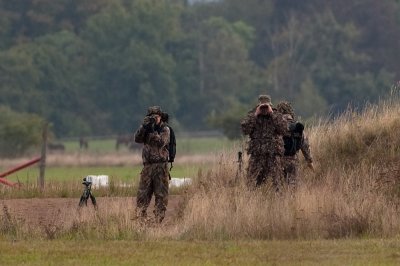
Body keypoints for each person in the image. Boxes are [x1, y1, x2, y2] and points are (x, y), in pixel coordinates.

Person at [241, 95, 287, 190]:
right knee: (251, 182)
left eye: (266, 107)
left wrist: (272, 113)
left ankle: (279, 201)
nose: (264, 109)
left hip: (273, 155)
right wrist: (255, 114)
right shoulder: (253, 115)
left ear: (270, 105)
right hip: (257, 155)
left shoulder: (276, 115)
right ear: (258, 106)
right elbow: (245, 130)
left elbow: (284, 129)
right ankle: (251, 202)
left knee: (276, 183)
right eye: (262, 107)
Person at [134, 106, 170, 223]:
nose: (154, 119)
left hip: (160, 166)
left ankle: (158, 221)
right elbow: (137, 139)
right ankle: (141, 220)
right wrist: (144, 127)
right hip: (147, 167)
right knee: (142, 194)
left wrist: (153, 131)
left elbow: (162, 142)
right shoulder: (146, 128)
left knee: (161, 195)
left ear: (160, 117)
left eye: (156, 116)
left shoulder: (165, 129)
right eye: (151, 117)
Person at [276, 101, 314, 187]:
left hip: (278, 160)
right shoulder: (297, 126)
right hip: (293, 160)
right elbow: (305, 145)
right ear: (290, 111)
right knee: (293, 186)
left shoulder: (276, 126)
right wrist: (309, 161)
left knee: (279, 187)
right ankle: (293, 200)